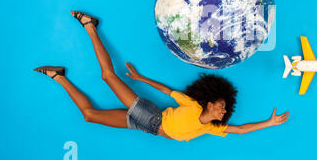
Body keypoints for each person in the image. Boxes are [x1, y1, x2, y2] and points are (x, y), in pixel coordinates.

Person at [34, 11, 289, 141]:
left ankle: (59, 76)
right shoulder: (192, 105)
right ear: (209, 103)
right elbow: (168, 92)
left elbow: (241, 130)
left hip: (149, 129)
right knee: (108, 76)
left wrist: (270, 122)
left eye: (223, 110)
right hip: (151, 116)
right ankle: (90, 25)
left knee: (90, 116)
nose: (224, 112)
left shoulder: (211, 128)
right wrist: (140, 79)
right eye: (221, 107)